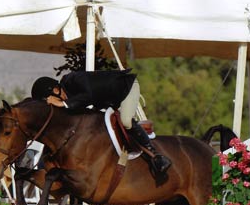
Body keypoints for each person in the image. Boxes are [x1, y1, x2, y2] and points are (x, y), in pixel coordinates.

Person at [30, 70, 172, 176]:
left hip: (126, 89)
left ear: (56, 90)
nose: (54, 104)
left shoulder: (74, 79)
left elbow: (88, 96)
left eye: (52, 100)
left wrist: (63, 104)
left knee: (126, 121)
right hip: (107, 99)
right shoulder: (67, 94)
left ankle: (156, 156)